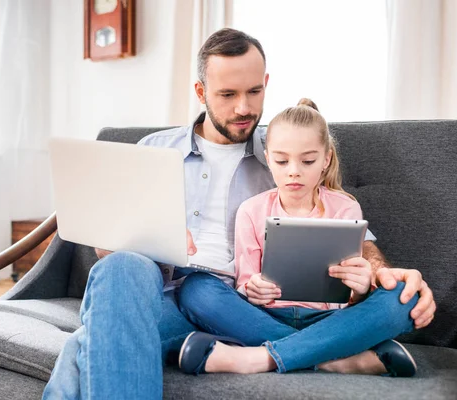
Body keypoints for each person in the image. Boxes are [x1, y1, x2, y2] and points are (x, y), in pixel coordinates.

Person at [42, 28, 436, 399]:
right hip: (169, 297)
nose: (244, 108)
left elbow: (350, 234)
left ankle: (269, 354)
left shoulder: (285, 149)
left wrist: (382, 270)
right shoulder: (152, 149)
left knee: (86, 342)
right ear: (201, 91)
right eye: (228, 94)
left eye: (254, 91)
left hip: (248, 308)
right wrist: (147, 239)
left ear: (267, 83)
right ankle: (330, 356)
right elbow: (110, 251)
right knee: (120, 268)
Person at [176, 98, 418, 377]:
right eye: (281, 160)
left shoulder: (345, 207)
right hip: (265, 316)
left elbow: (351, 291)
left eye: (308, 161)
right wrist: (254, 289)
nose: (293, 170)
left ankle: (257, 357)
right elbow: (245, 282)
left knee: (404, 297)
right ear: (268, 159)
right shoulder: (251, 210)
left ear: (325, 160)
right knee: (197, 289)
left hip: (330, 320)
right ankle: (335, 358)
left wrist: (361, 288)